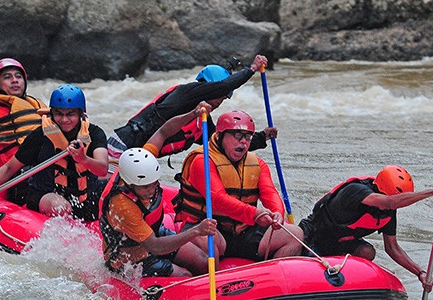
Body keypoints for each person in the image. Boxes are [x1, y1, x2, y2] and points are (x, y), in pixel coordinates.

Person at [100, 102, 223, 277]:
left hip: (152, 232)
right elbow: (155, 246)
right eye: (144, 187)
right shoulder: (122, 206)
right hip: (129, 256)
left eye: (154, 183)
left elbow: (164, 131)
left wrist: (193, 114)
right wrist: (196, 230)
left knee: (203, 262)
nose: (151, 190)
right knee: (185, 277)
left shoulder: (143, 160)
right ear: (129, 183)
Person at [298, 165, 433, 291]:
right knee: (310, 271)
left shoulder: (387, 212)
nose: (396, 206)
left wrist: (419, 272)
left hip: (338, 247)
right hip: (312, 238)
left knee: (367, 252)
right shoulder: (356, 191)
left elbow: (392, 248)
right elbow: (389, 202)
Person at [174, 110, 304, 261]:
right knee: (208, 237)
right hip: (207, 226)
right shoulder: (201, 161)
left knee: (296, 234)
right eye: (238, 135)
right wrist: (254, 214)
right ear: (220, 135)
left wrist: (277, 214)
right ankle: (216, 282)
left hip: (244, 231)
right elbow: (217, 199)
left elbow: (270, 193)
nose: (243, 141)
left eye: (248, 137)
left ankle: (272, 279)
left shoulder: (257, 164)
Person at [0, 85, 109, 222]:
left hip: (84, 196)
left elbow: (103, 169)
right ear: (51, 113)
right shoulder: (40, 135)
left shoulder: (94, 133)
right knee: (61, 207)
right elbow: (9, 168)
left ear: (81, 114)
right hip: (45, 194)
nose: (64, 119)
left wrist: (83, 159)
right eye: (59, 113)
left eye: (70, 114)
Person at [107, 55, 276, 162]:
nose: (220, 102)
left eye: (224, 98)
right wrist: (252, 69)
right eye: (220, 95)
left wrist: (262, 137)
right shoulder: (185, 93)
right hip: (122, 146)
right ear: (208, 87)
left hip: (140, 159)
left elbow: (224, 144)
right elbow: (224, 86)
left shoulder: (200, 121)